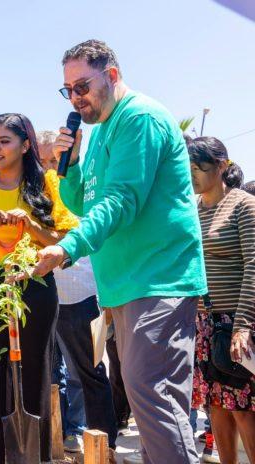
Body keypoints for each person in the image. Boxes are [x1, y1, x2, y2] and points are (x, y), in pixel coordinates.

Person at [35, 40, 207, 464]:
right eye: (68, 91)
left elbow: (122, 200)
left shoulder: (139, 118)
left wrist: (67, 247)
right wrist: (71, 162)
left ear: (111, 75)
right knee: (149, 406)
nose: (75, 99)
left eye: (82, 86)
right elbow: (82, 203)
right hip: (124, 286)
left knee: (155, 397)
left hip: (159, 278)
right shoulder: (97, 134)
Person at [0, 113, 78, 463]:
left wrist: (31, 224)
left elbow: (62, 240)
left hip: (34, 283)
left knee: (34, 372)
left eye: (4, 141)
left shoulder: (48, 186)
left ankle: (30, 455)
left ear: (25, 145)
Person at [38, 129, 117, 451]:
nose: (46, 167)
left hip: (80, 294)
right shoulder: (31, 191)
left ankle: (104, 444)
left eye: (52, 159)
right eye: (40, 160)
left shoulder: (80, 191)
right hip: (43, 295)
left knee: (88, 372)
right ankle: (64, 433)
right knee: (49, 374)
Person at [188, 136, 255, 464]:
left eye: (200, 167)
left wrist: (243, 325)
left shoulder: (243, 204)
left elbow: (254, 264)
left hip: (237, 321)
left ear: (222, 166)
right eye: (189, 167)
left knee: (243, 407)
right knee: (214, 404)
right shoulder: (192, 210)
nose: (193, 174)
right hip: (205, 322)